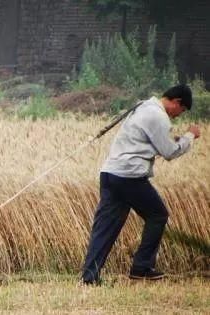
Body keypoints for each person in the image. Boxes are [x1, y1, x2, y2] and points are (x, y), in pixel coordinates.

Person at [81, 84, 201, 285]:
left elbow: (147, 142)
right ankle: (141, 268)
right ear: (177, 102)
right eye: (181, 110)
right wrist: (190, 136)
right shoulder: (158, 116)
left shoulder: (143, 106)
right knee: (158, 215)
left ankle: (89, 277)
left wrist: (171, 141)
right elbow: (170, 152)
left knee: (105, 227)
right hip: (130, 176)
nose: (178, 115)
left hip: (110, 173)